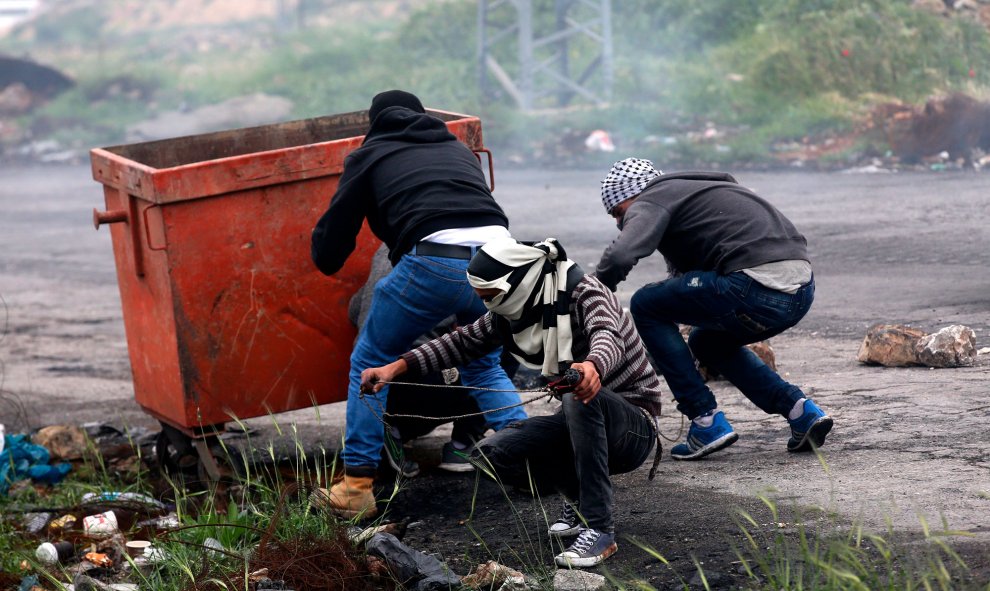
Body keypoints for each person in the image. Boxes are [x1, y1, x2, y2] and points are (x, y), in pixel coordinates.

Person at [360, 238, 664, 568]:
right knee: (490, 454)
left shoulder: (584, 290)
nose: (487, 306)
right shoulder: (514, 309)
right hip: (582, 423)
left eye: (489, 297)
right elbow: (461, 342)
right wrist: (393, 368)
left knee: (578, 394)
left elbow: (607, 334)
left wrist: (592, 365)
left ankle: (599, 529)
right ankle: (577, 496)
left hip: (633, 427)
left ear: (516, 282)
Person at [310, 90, 526, 519]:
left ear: (374, 123)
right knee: (483, 365)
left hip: (436, 262)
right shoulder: (456, 148)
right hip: (502, 261)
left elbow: (333, 240)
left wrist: (325, 256)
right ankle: (536, 460)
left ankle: (356, 488)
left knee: (369, 363)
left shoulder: (369, 154)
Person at [593, 158, 833, 461]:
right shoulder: (702, 191)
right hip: (800, 291)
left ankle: (704, 420)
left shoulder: (653, 194)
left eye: (618, 211)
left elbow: (620, 256)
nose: (618, 222)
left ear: (632, 194)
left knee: (645, 304)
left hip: (752, 284)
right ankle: (801, 412)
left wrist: (594, 289)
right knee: (707, 342)